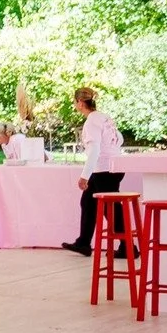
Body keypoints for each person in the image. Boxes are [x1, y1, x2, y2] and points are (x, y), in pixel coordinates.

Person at [62, 87, 124, 255]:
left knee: (110, 208)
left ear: (80, 103)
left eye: (75, 102)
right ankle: (83, 242)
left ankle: (127, 246)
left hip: (103, 170)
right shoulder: (104, 117)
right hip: (114, 166)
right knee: (88, 203)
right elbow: (119, 138)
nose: (75, 105)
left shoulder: (91, 122)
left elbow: (94, 150)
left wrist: (84, 176)